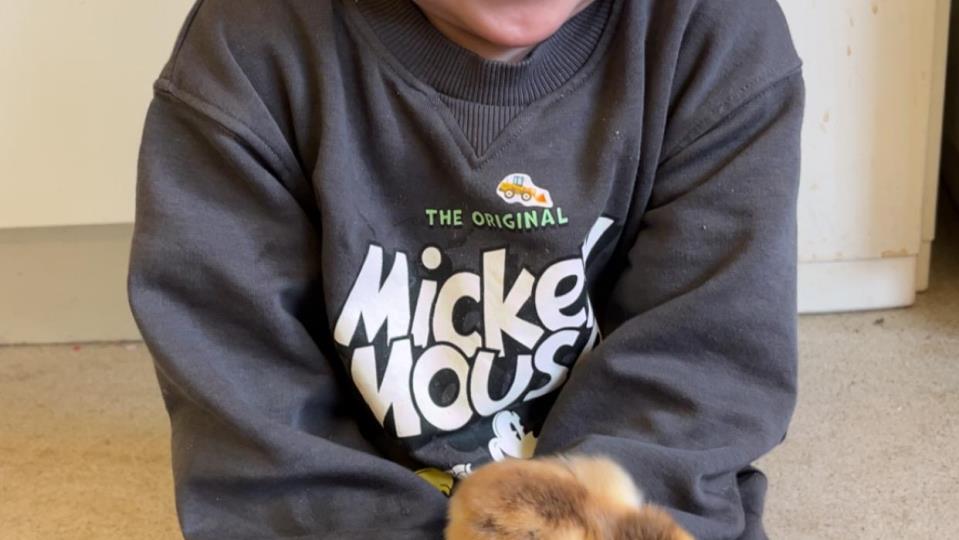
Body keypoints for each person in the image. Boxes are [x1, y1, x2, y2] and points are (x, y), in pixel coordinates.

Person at [127, 0, 804, 538]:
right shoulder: (248, 44)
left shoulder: (716, 34)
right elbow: (246, 398)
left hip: (615, 499)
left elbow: (697, 373)